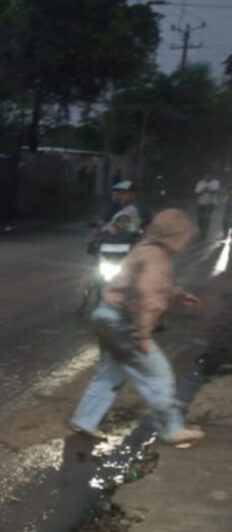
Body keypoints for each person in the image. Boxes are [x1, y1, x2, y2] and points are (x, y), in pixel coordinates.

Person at [71, 208, 204, 444]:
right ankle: (172, 429)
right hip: (123, 323)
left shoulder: (145, 249)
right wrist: (142, 336)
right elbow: (147, 299)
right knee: (158, 375)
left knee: (109, 373)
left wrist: (179, 296)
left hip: (105, 315)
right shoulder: (158, 258)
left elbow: (142, 285)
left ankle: (84, 420)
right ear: (176, 235)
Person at [194, 173, 220, 239]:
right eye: (205, 176)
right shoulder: (200, 183)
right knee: (200, 218)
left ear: (211, 176)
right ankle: (201, 230)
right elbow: (197, 193)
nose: (207, 177)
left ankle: (204, 233)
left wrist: (207, 190)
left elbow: (216, 192)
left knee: (207, 218)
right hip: (201, 203)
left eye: (208, 176)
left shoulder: (215, 182)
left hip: (211, 203)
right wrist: (203, 190)